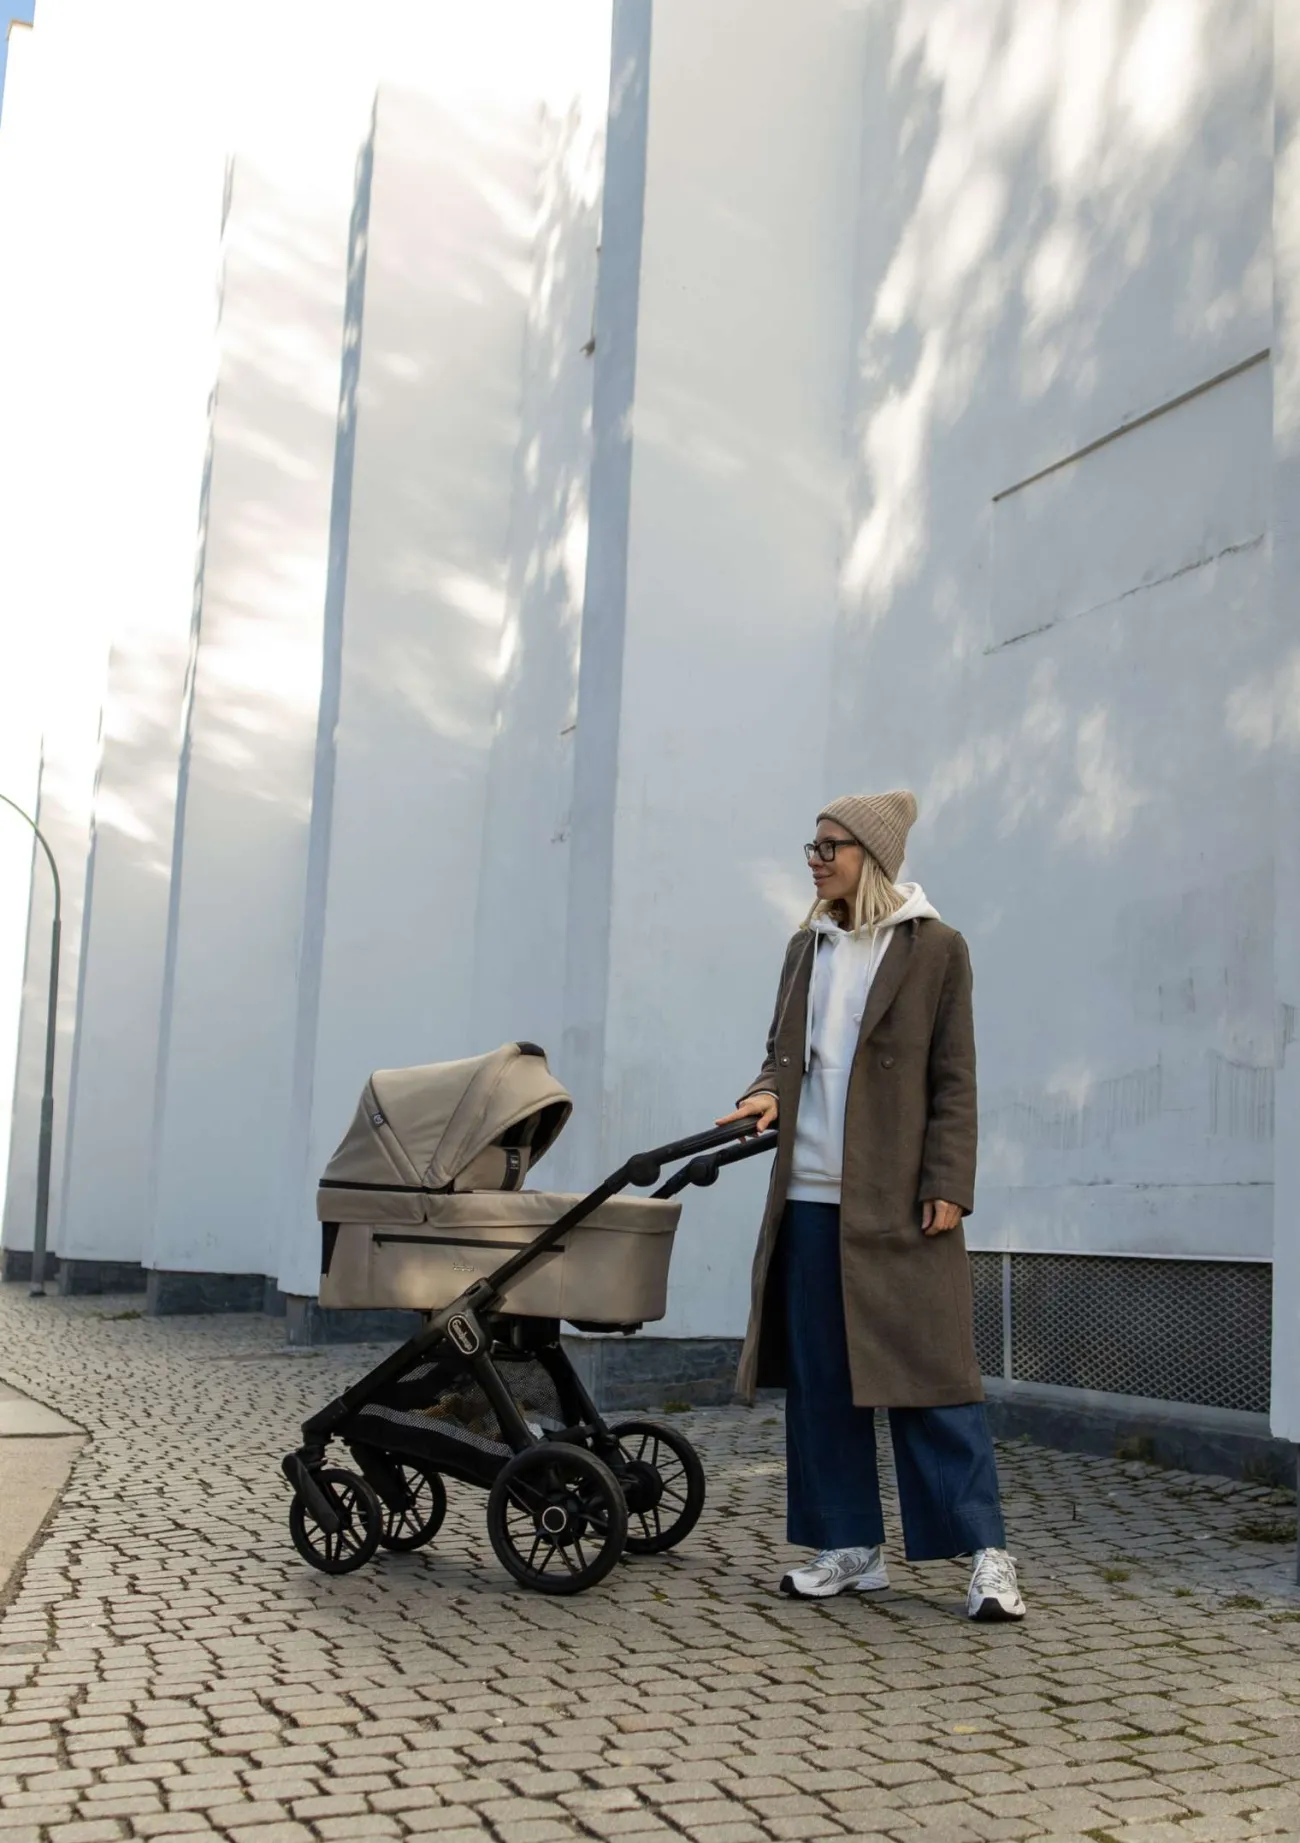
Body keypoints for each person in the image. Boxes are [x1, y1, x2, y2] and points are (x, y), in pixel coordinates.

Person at [719, 790, 1024, 1620]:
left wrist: (949, 1181)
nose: (815, 859)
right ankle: (850, 1545)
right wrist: (763, 1093)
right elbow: (783, 1056)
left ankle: (985, 1552)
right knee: (823, 1383)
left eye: (831, 846)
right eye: (812, 845)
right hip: (809, 1198)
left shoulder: (936, 948)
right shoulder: (804, 948)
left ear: (874, 856)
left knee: (933, 1377)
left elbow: (955, 1077)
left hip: (900, 1200)